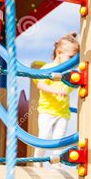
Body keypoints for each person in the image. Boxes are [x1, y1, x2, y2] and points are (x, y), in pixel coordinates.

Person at [34, 32, 79, 165]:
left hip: (62, 113)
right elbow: (40, 84)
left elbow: (72, 87)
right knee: (44, 137)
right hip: (47, 111)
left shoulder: (68, 74)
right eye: (70, 57)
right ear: (59, 53)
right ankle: (38, 163)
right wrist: (55, 90)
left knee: (59, 140)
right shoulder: (48, 68)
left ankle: (57, 166)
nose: (73, 61)